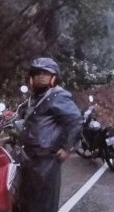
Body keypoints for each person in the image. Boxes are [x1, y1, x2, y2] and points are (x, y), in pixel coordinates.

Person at [18, 57, 82, 212]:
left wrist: (67, 148)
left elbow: (75, 121)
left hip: (46, 160)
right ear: (31, 78)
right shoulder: (35, 98)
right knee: (25, 201)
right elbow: (23, 116)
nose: (41, 76)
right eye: (37, 73)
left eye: (46, 73)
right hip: (29, 158)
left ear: (54, 77)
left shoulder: (58, 96)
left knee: (43, 204)